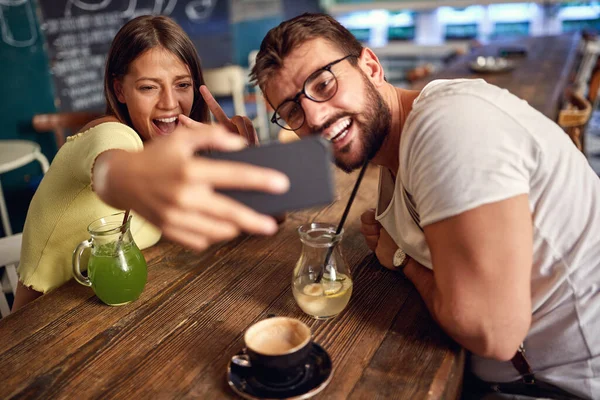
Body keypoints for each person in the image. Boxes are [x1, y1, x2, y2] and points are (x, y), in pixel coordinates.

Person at [250, 13, 600, 399]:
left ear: (370, 66)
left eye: (324, 83)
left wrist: (403, 259)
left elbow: (493, 333)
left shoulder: (447, 129)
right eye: (293, 112)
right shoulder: (396, 146)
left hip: (563, 385)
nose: (314, 116)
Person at [12, 15, 289, 312]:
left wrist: (246, 165)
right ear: (120, 90)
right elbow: (110, 170)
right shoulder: (110, 133)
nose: (170, 103)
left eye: (182, 84)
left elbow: (272, 221)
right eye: (148, 87)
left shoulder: (175, 154)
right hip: (37, 328)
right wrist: (128, 178)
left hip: (106, 315)